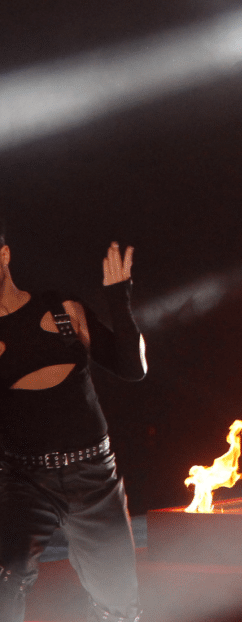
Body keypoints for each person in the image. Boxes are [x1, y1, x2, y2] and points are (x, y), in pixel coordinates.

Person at [0, 227, 147, 622]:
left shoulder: (61, 308)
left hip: (94, 475)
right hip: (25, 481)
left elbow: (132, 369)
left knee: (119, 606)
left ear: (5, 255)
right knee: (4, 579)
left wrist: (120, 298)